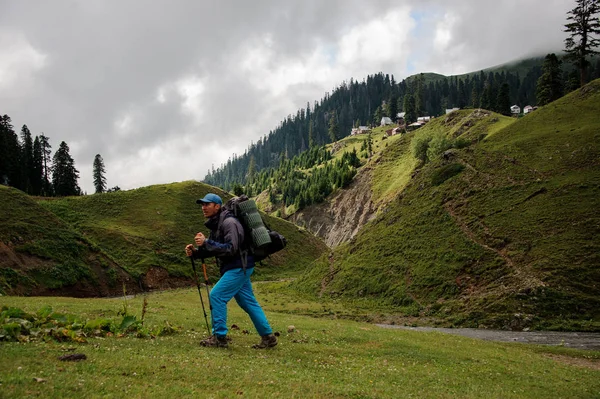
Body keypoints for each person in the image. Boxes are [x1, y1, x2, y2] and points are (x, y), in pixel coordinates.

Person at [185, 193, 277, 349]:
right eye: (202, 204)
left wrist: (206, 242)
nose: (203, 207)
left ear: (217, 206)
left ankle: (219, 337)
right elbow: (215, 248)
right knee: (247, 302)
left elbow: (230, 249)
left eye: (207, 204)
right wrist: (196, 253)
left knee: (217, 295)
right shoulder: (217, 224)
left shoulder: (229, 222)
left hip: (238, 266)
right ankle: (268, 337)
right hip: (240, 266)